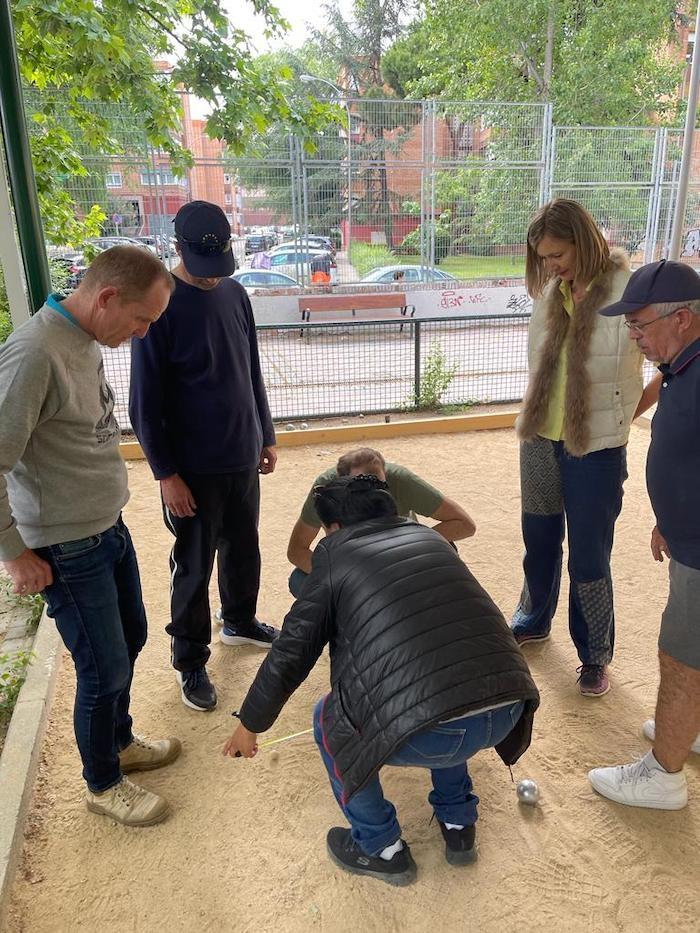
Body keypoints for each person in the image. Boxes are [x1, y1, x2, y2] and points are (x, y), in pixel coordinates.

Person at [223, 475, 540, 886]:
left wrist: (249, 725)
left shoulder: (332, 554)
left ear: (334, 528)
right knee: (446, 682)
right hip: (510, 707)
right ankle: (459, 825)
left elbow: (291, 652)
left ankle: (381, 849)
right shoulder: (431, 538)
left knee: (327, 718)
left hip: (443, 727)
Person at [0, 246, 180, 827]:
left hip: (107, 528)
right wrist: (14, 551)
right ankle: (102, 782)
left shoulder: (85, 337)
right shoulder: (32, 354)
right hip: (66, 545)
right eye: (141, 320)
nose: (143, 333)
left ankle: (120, 742)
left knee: (130, 640)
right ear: (106, 298)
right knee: (103, 669)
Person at [129, 201, 279, 714]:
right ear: (178, 249)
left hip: (242, 453)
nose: (215, 279)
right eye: (204, 268)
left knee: (244, 546)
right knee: (193, 564)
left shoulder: (235, 293)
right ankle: (190, 659)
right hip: (192, 469)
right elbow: (143, 405)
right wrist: (167, 475)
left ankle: (239, 620)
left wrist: (267, 433)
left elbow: (251, 369)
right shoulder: (160, 308)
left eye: (222, 267)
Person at [512, 198, 658, 697]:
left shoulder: (627, 290)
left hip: (596, 449)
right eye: (544, 259)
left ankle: (595, 654)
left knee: (590, 556)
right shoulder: (551, 292)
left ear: (584, 241)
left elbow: (667, 362)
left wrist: (623, 416)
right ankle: (533, 616)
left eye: (557, 255)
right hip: (539, 440)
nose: (550, 267)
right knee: (539, 537)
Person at [588, 260, 700, 809]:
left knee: (679, 658)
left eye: (640, 324)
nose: (633, 336)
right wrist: (669, 518)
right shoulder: (682, 363)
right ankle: (690, 730)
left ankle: (663, 777)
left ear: (681, 319)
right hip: (689, 540)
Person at [286, 447, 476, 597]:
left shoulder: (401, 479)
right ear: (341, 483)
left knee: (445, 551)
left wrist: (415, 545)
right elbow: (297, 550)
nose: (374, 494)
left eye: (380, 486)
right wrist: (341, 577)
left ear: (386, 475)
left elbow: (464, 524)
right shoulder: (324, 489)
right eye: (361, 487)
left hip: (400, 558)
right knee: (299, 581)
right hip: (354, 566)